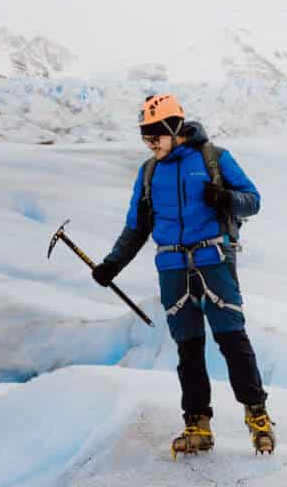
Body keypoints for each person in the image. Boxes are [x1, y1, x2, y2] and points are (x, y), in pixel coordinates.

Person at [92, 93, 275, 457]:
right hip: (172, 268)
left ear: (175, 128)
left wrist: (225, 198)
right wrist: (112, 264)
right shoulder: (149, 172)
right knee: (188, 349)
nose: (149, 143)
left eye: (154, 135)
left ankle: (258, 417)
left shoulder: (213, 159)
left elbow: (252, 200)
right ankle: (197, 425)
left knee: (232, 341)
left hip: (214, 260)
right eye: (145, 136)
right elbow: (137, 228)